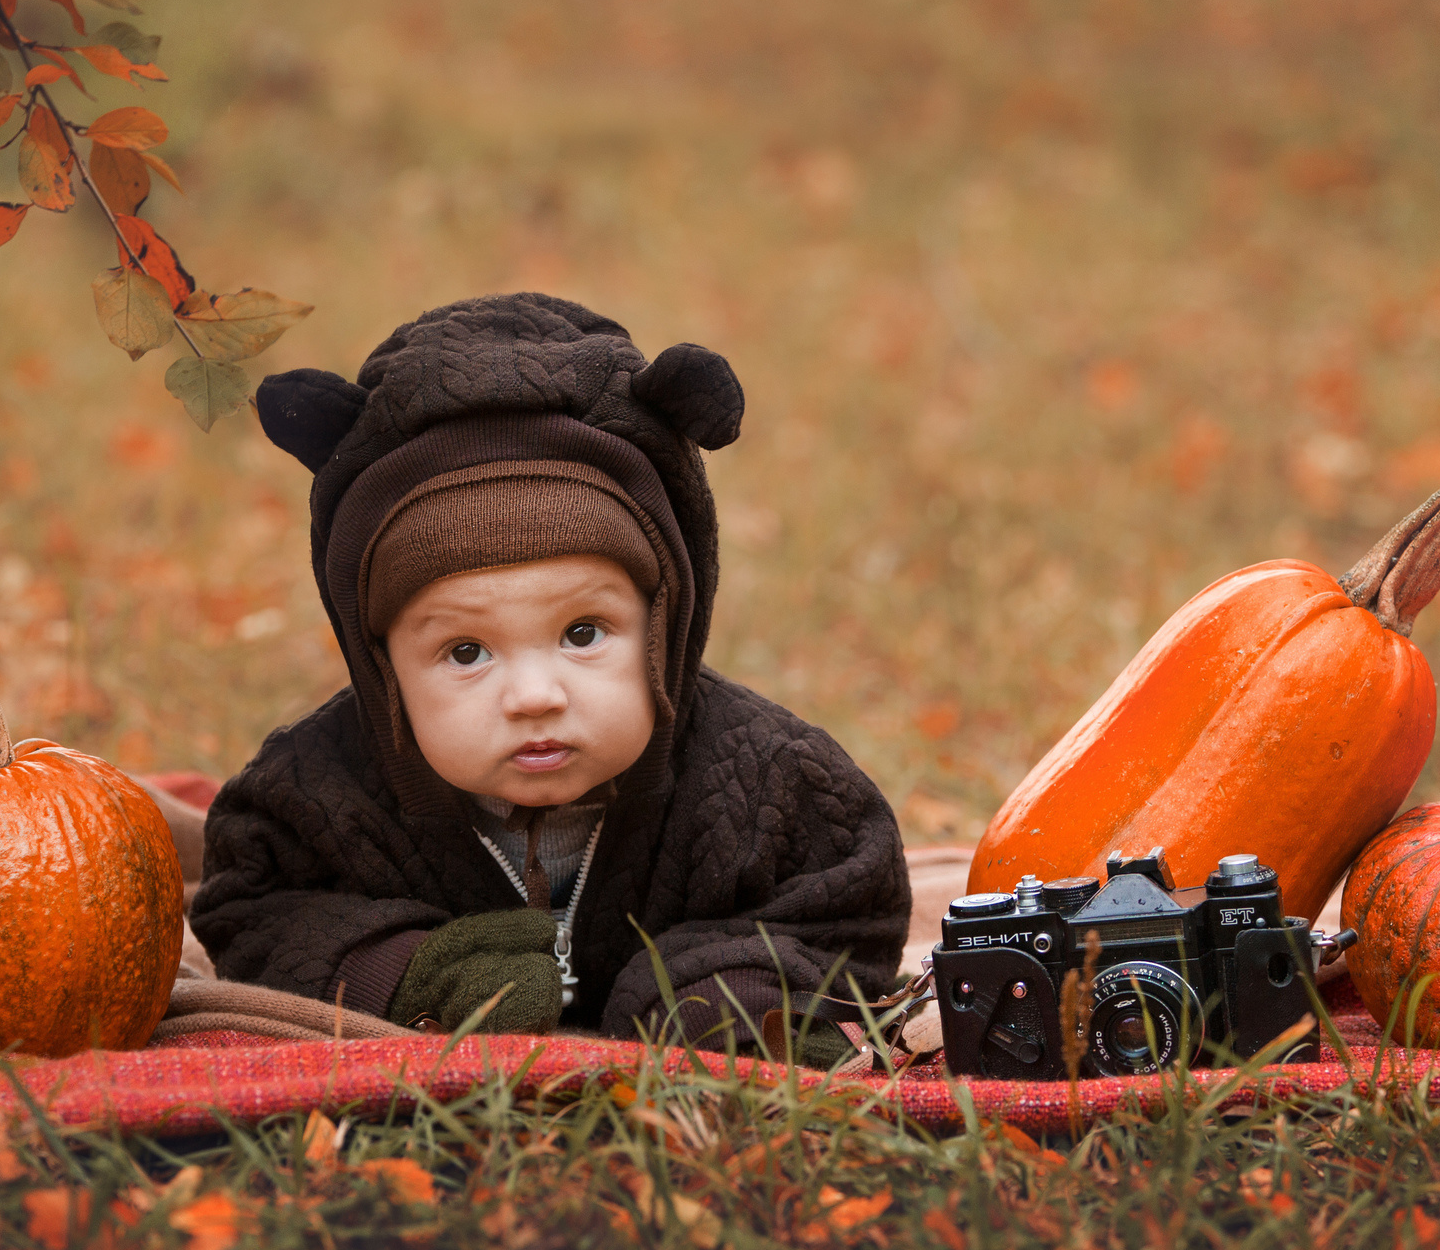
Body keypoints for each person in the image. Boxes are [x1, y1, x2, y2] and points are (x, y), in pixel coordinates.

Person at [189, 293, 910, 1060]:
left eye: (583, 633)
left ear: (663, 625)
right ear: (382, 665)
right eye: (466, 651)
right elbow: (251, 912)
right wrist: (409, 972)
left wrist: (730, 991)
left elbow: (847, 902)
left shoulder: (766, 782)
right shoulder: (313, 801)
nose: (535, 695)